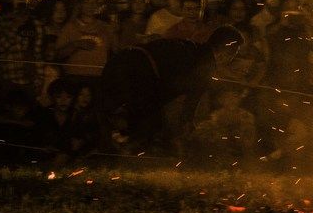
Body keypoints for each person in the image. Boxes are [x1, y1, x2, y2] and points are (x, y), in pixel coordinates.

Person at [98, 25, 243, 152]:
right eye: (235, 53)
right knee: (149, 124)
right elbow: (189, 105)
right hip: (136, 72)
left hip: (118, 61)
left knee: (121, 115)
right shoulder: (205, 64)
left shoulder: (190, 48)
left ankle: (112, 147)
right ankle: (128, 154)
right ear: (226, 51)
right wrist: (189, 126)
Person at [0, 0, 45, 99]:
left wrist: (40, 78)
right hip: (7, 78)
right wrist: (15, 26)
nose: (21, 0)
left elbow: (38, 53)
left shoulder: (35, 24)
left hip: (29, 79)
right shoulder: (1, 22)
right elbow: (0, 47)